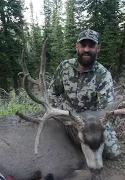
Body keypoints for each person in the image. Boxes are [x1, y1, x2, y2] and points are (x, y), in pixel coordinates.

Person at [48, 29, 121, 160]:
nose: (86, 49)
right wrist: (58, 113)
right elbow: (52, 92)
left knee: (114, 153)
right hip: (67, 118)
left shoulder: (103, 74)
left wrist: (98, 125)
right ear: (77, 46)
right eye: (83, 45)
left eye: (91, 46)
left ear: (98, 48)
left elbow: (108, 109)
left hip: (91, 122)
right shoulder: (65, 67)